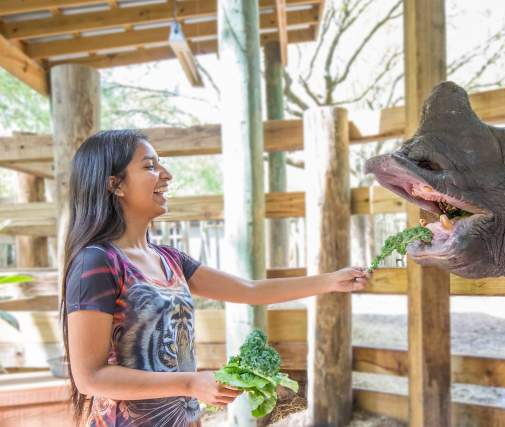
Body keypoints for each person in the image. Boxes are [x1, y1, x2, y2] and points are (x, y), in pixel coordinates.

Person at [62, 130, 371, 427]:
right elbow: (90, 378)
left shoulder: (170, 258)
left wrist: (331, 281)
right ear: (116, 185)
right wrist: (190, 382)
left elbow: (250, 290)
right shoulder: (97, 262)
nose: (166, 174)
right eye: (150, 166)